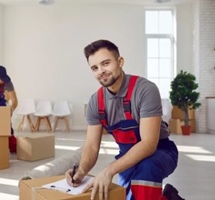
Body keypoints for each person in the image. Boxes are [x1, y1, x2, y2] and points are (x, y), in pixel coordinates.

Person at [65, 40, 184, 200]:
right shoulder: (96, 102)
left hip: (161, 152)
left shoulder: (145, 90)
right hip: (127, 157)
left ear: (120, 62)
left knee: (145, 172)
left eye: (105, 63)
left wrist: (109, 170)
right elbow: (92, 147)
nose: (101, 71)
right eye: (95, 68)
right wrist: (80, 172)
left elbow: (149, 144)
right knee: (128, 196)